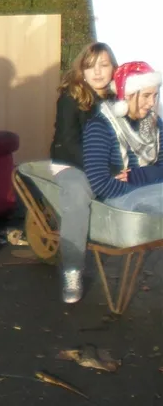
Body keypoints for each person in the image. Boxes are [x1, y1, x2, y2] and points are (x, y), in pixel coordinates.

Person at [50, 42, 117, 303]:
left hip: (109, 167)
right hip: (71, 164)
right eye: (90, 66)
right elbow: (68, 143)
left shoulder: (118, 99)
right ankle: (73, 270)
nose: (97, 72)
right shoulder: (71, 97)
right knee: (78, 194)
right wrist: (103, 171)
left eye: (104, 65)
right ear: (82, 70)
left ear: (113, 68)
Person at [82, 60, 163, 214]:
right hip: (118, 200)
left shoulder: (155, 123)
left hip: (153, 192)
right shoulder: (101, 126)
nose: (152, 103)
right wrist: (142, 192)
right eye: (146, 96)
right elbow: (99, 183)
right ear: (127, 95)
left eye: (155, 95)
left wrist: (142, 175)